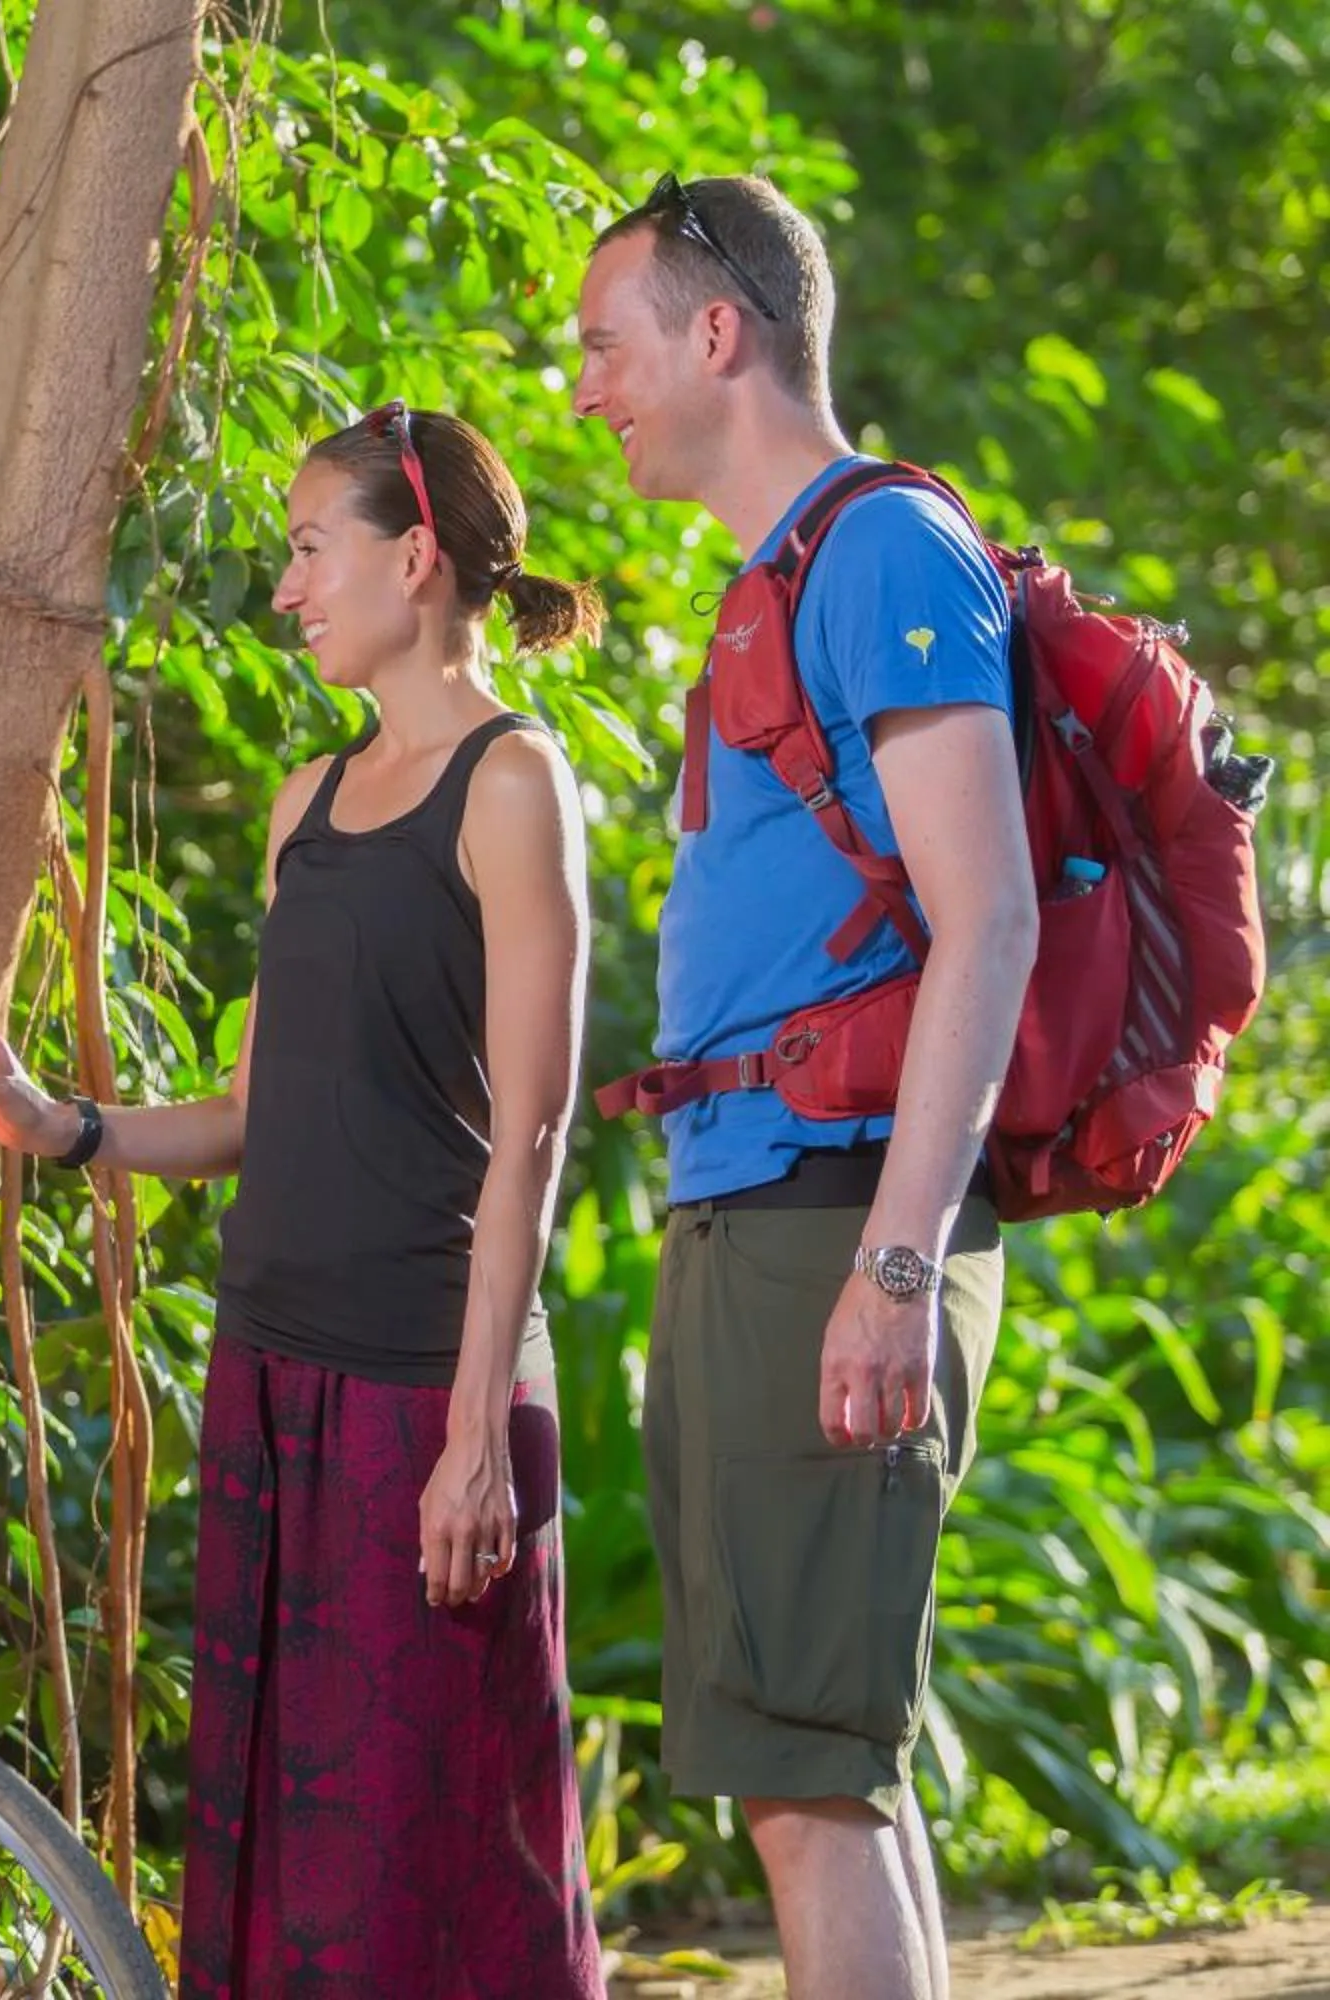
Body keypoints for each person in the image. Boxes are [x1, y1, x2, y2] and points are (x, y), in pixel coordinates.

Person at [0, 404, 607, 1997]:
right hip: (270, 1377)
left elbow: (530, 1133)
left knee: (436, 1855)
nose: (290, 588)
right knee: (284, 1857)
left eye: (313, 549)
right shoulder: (309, 804)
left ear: (416, 553)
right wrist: (62, 1123)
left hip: (423, 1396)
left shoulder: (515, 783)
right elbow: (262, 1112)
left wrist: (469, 1443)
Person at [573, 174, 1038, 2000]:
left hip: (837, 1216)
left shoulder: (881, 557)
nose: (586, 385)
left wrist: (900, 1266)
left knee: (799, 1778)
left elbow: (986, 918)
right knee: (821, 1763)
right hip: (764, 1207)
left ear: (718, 332)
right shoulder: (779, 580)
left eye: (605, 344)